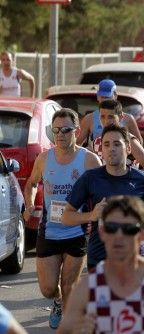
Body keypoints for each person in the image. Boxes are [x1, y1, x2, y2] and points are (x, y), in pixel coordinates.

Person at [58, 196, 144, 334]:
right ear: (102, 232)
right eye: (112, 228)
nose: (119, 236)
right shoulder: (89, 286)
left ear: (143, 235)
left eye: (129, 229)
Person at [23, 108, 102, 329]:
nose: (60, 135)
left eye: (66, 130)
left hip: (77, 231)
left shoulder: (89, 160)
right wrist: (29, 204)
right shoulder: (44, 158)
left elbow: (102, 190)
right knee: (48, 288)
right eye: (56, 130)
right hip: (50, 230)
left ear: (76, 132)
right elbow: (31, 183)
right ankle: (57, 302)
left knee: (69, 286)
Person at [61, 124, 144, 270]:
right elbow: (66, 217)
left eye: (117, 144)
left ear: (128, 148)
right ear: (102, 149)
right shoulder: (90, 178)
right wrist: (91, 215)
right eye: (106, 144)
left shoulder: (141, 178)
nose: (111, 148)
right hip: (100, 258)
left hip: (134, 256)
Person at [90, 99, 144, 178]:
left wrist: (125, 179)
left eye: (111, 117)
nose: (106, 121)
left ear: (121, 117)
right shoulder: (96, 142)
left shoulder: (130, 140)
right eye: (102, 117)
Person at [77, 79, 143, 147]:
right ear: (97, 97)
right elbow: (77, 144)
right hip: (97, 157)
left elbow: (139, 143)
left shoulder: (128, 119)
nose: (105, 100)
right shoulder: (89, 119)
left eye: (108, 97)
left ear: (115, 96)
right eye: (102, 97)